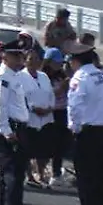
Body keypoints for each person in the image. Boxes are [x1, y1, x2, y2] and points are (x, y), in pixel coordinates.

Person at [65, 41, 103, 205]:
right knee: (101, 183)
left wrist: (74, 128)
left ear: (75, 61)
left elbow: (75, 107)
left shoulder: (80, 78)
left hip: (87, 134)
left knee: (86, 183)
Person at [0, 39, 34, 205]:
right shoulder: (2, 77)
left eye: (21, 56)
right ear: (4, 56)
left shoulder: (14, 76)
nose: (20, 60)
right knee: (12, 176)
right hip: (11, 129)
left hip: (19, 127)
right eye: (16, 56)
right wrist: (7, 132)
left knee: (15, 175)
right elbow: (0, 107)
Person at [22, 47, 57, 188]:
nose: (34, 62)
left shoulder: (44, 76)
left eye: (37, 59)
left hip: (46, 118)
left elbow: (51, 95)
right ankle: (29, 175)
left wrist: (49, 108)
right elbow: (21, 96)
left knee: (43, 150)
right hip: (29, 118)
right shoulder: (21, 77)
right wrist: (34, 108)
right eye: (31, 59)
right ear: (25, 61)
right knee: (27, 149)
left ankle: (41, 174)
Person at [42, 47, 72, 188]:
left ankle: (56, 173)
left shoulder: (62, 75)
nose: (59, 65)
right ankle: (40, 173)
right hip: (48, 112)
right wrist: (60, 88)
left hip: (62, 111)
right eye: (56, 62)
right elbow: (45, 94)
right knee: (46, 143)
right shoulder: (43, 76)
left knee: (60, 145)